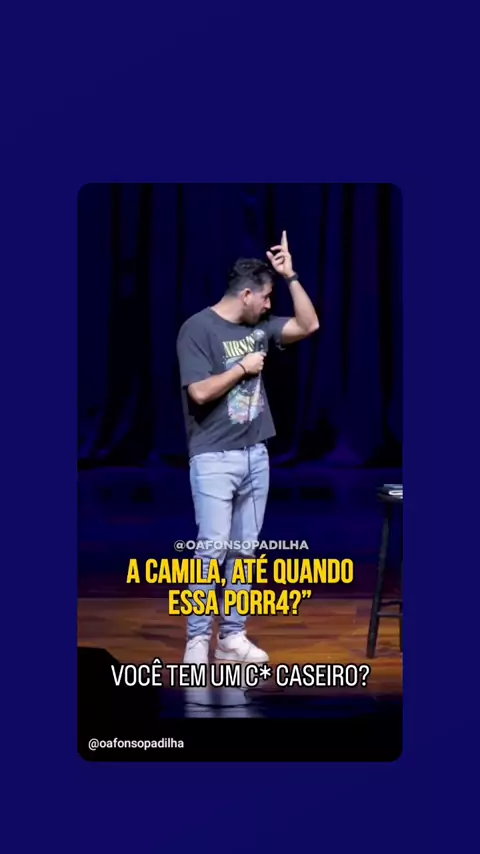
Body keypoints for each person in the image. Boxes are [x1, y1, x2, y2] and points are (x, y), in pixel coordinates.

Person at [176, 231, 319, 665]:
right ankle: (197, 640)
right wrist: (241, 368)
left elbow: (309, 325)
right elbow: (199, 392)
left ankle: (232, 637)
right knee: (211, 550)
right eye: (267, 297)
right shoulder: (197, 329)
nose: (270, 305)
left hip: (256, 454)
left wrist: (290, 277)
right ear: (246, 295)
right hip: (213, 456)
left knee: (244, 552)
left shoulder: (259, 327)